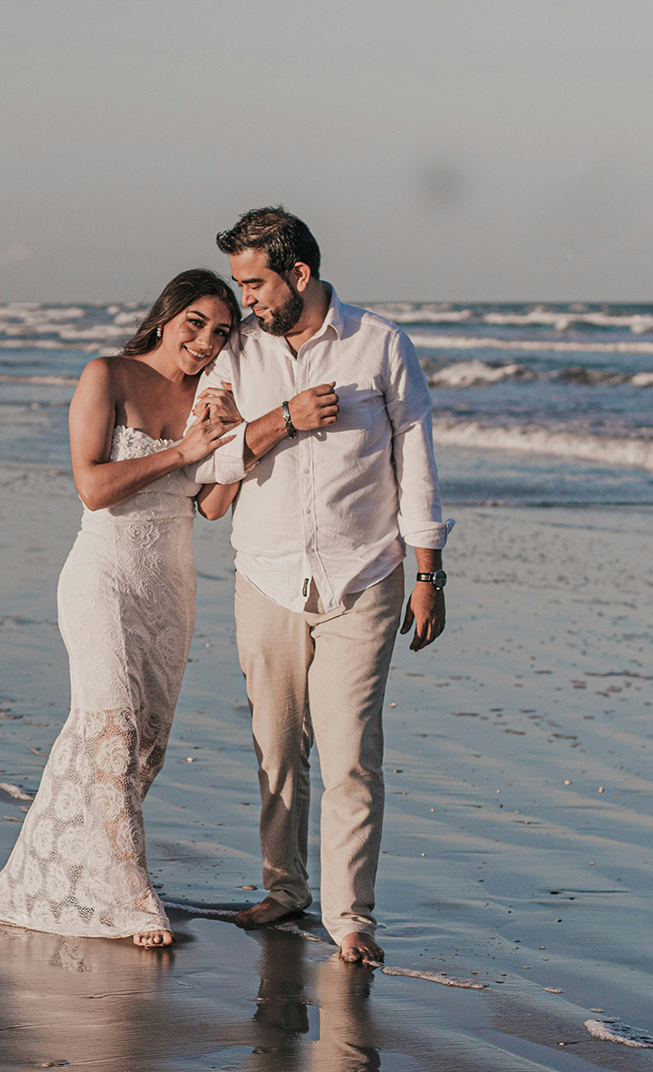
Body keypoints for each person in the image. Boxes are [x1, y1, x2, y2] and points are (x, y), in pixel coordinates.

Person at [192, 207, 453, 965]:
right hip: (265, 574)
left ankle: (350, 919)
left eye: (255, 284)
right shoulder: (238, 353)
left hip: (363, 575)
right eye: (240, 285)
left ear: (298, 274)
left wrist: (429, 571)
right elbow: (208, 463)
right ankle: (284, 890)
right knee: (275, 747)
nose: (246, 301)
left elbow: (418, 462)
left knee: (347, 757)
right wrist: (281, 419)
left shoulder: (379, 344)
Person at [0, 269, 241, 949]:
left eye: (220, 332)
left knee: (143, 746)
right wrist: (185, 451)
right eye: (196, 323)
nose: (205, 341)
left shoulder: (209, 398)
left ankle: (32, 883)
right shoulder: (107, 376)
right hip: (103, 573)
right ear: (166, 315)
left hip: (171, 584)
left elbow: (209, 505)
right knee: (113, 724)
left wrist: (236, 446)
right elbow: (93, 486)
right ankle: (132, 899)